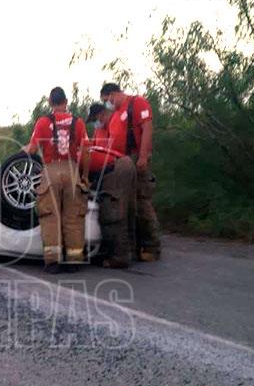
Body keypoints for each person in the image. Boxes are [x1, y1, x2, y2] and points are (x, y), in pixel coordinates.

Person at [23, 87, 90, 273]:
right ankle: (75, 260)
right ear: (66, 101)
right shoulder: (78, 123)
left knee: (50, 216)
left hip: (51, 170)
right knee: (73, 217)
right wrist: (84, 176)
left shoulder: (43, 122)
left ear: (51, 103)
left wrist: (21, 152)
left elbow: (32, 149)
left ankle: (53, 262)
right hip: (72, 170)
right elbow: (85, 151)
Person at [102, 82, 161, 262]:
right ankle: (135, 247)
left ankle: (152, 247)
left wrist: (143, 156)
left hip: (136, 158)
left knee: (142, 203)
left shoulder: (137, 103)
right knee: (127, 206)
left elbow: (147, 128)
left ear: (113, 94)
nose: (108, 103)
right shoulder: (115, 116)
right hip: (122, 164)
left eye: (107, 100)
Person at [88, 94, 137, 268]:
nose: (95, 123)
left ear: (100, 114)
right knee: (127, 210)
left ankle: (119, 257)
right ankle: (132, 250)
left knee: (112, 213)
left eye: (95, 119)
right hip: (120, 166)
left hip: (117, 168)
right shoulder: (98, 131)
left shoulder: (115, 121)